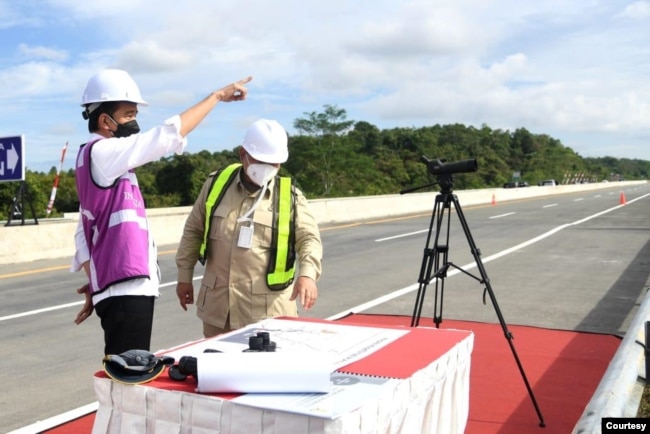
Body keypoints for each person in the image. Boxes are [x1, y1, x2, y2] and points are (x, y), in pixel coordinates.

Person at [72, 68, 252, 355]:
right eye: (129, 115)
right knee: (128, 378)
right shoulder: (104, 153)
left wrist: (98, 283)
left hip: (120, 287)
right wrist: (216, 96)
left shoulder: (97, 161)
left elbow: (84, 231)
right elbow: (165, 136)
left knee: (125, 372)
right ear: (105, 120)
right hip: (126, 288)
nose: (135, 122)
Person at [175, 119, 323, 337]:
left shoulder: (291, 197)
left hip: (268, 314)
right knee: (217, 368)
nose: (267, 168)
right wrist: (184, 276)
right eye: (261, 160)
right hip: (218, 311)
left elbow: (309, 239)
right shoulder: (216, 185)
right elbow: (194, 230)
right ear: (243, 154)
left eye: (274, 163)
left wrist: (308, 275)